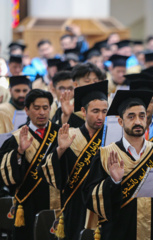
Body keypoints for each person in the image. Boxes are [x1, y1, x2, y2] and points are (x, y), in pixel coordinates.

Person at [82, 90, 153, 240]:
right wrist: (113, 182)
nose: (138, 121)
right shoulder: (106, 155)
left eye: (141, 116)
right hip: (118, 232)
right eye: (131, 117)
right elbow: (89, 197)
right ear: (120, 121)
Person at [39, 81, 108, 240]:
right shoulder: (69, 136)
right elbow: (46, 171)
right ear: (83, 111)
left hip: (102, 206)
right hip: (75, 206)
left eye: (104, 111)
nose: (100, 116)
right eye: (95, 111)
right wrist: (61, 150)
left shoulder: (112, 138)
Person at [0, 89, 60, 240]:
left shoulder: (61, 134)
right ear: (26, 110)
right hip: (28, 203)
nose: (42, 113)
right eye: (36, 108)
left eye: (45, 108)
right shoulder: (16, 138)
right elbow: (6, 176)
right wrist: (19, 152)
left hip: (57, 202)